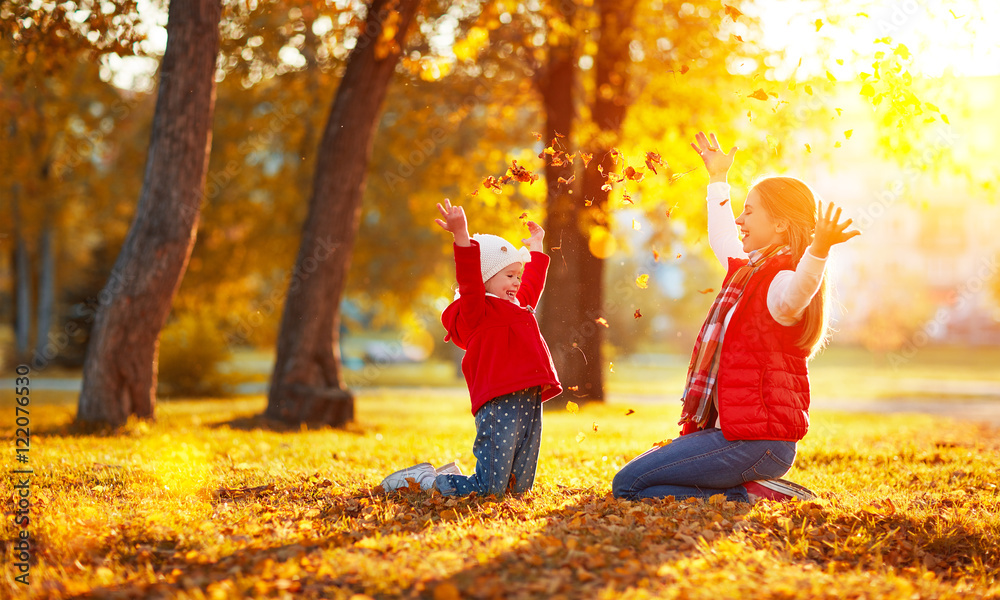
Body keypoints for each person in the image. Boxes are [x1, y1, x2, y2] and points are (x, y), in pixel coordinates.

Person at [612, 131, 860, 504]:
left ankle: (749, 493)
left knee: (628, 486)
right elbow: (722, 235)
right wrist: (717, 179)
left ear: (778, 225)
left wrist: (819, 249)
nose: (741, 220)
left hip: (758, 443)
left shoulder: (781, 278)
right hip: (736, 435)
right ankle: (748, 492)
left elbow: (795, 298)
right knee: (634, 487)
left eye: (750, 211)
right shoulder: (746, 272)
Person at [380, 199, 562, 496]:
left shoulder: (518, 305)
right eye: (509, 276)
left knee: (519, 488)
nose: (517, 282)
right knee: (489, 487)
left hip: (530, 396)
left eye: (517, 275)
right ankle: (424, 482)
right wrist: (461, 236)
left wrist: (537, 247)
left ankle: (451, 476)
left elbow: (534, 282)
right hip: (499, 400)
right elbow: (468, 279)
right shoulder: (477, 311)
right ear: (485, 279)